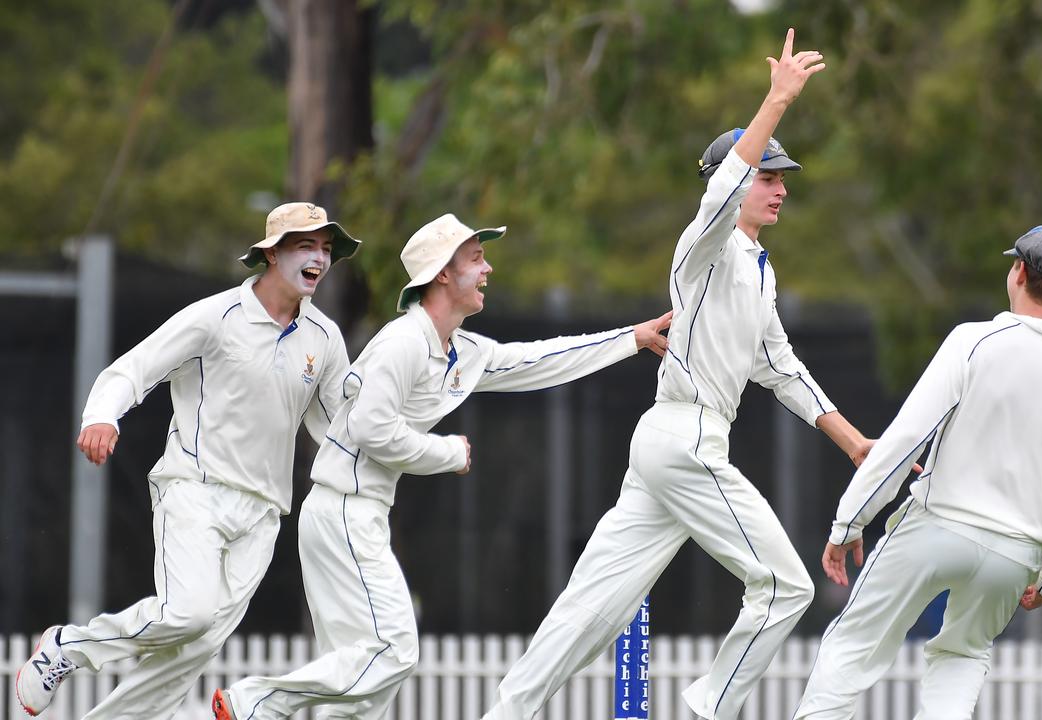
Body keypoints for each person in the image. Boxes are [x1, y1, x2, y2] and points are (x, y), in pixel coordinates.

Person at [485, 29, 880, 720]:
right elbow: (724, 190)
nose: (779, 187)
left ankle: (503, 713)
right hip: (687, 441)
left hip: (673, 448)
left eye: (783, 177)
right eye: (768, 174)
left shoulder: (759, 267)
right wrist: (777, 100)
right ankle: (707, 710)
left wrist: (854, 444)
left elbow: (782, 368)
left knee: (592, 606)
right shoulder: (706, 246)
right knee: (786, 586)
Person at [210, 213, 672, 720]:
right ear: (443, 275)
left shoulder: (462, 351)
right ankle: (252, 703)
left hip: (351, 514)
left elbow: (536, 361)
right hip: (343, 512)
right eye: (476, 259)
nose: (488, 268)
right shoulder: (402, 342)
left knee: (361, 686)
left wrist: (632, 338)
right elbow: (370, 428)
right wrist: (446, 453)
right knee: (393, 652)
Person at [15, 202, 360, 718]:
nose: (319, 258)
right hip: (194, 490)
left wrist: (388, 447)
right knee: (189, 613)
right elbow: (133, 369)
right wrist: (102, 417)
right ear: (271, 255)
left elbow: (339, 428)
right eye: (306, 245)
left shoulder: (325, 338)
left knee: (193, 648)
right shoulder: (216, 318)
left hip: (264, 514)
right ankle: (69, 647)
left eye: (327, 249)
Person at [792, 226, 1042, 719]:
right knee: (963, 655)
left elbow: (905, 440)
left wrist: (849, 522)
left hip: (937, 523)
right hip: (1017, 552)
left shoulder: (974, 341)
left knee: (855, 643)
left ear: (1020, 273)